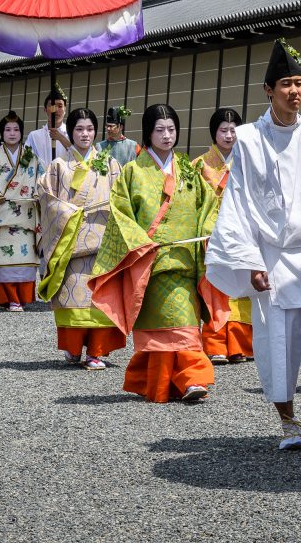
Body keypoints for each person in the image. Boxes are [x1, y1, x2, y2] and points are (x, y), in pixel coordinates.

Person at [206, 39, 301, 451]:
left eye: (300, 83)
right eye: (286, 85)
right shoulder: (249, 140)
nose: (295, 92)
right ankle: (289, 422)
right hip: (274, 256)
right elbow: (237, 200)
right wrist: (249, 259)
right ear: (269, 90)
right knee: (280, 342)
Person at [91, 104, 228, 403]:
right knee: (160, 326)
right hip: (149, 262)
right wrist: (141, 244)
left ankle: (192, 379)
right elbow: (121, 215)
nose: (167, 136)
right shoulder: (133, 172)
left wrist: (210, 231)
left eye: (171, 129)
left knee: (186, 323)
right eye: (159, 130)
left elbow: (208, 208)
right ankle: (165, 382)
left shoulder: (189, 171)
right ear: (148, 133)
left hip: (184, 260)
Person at [37, 108, 125, 369]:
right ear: (71, 132)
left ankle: (96, 351)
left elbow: (121, 199)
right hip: (70, 240)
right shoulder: (58, 166)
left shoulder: (110, 164)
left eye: (89, 129)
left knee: (98, 296)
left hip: (102, 239)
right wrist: (69, 214)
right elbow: (46, 199)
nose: (85, 134)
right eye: (79, 129)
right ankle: (73, 348)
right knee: (72, 293)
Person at [194, 108, 254, 364]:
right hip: (213, 234)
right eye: (223, 130)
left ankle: (241, 345)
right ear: (214, 133)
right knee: (217, 286)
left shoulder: (249, 162)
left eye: (233, 130)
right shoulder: (199, 164)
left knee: (241, 288)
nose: (229, 136)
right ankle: (215, 342)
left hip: (242, 232)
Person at [0, 110, 43, 312]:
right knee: (5, 259)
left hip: (26, 216)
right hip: (0, 215)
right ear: (1, 133)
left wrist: (40, 193)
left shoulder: (32, 158)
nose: (12, 133)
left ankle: (22, 298)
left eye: (16, 129)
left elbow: (43, 179)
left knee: (24, 259)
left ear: (22, 132)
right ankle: (11, 299)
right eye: (7, 129)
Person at [26, 84, 71, 171]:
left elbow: (78, 157)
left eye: (60, 106)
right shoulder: (34, 136)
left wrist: (61, 138)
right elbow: (26, 163)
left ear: (65, 110)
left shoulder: (72, 134)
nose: (56, 110)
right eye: (51, 105)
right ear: (45, 109)